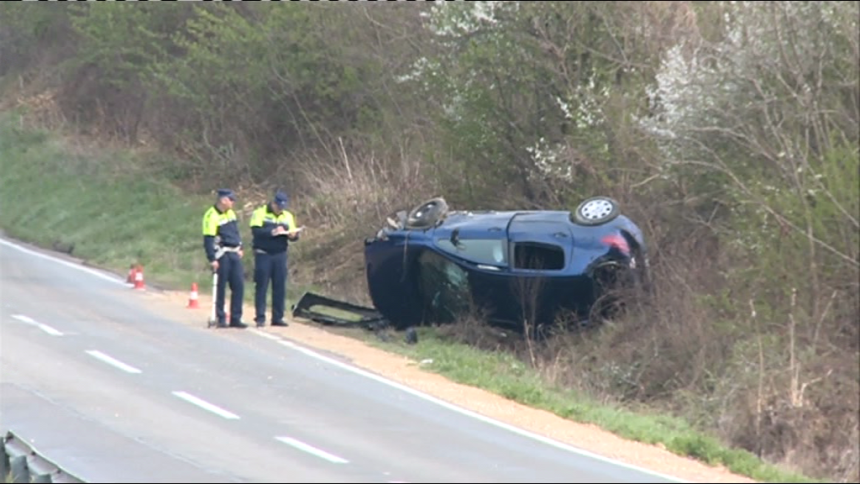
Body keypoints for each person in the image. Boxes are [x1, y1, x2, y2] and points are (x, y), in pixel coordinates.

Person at [249, 190, 300, 328]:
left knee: (280, 286)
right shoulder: (260, 213)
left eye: (282, 207)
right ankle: (260, 317)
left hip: (280, 254)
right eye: (278, 206)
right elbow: (256, 232)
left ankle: (277, 317)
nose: (280, 210)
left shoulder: (288, 216)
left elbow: (294, 234)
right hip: (263, 253)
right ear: (273, 203)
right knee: (262, 286)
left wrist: (293, 235)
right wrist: (272, 232)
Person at [202, 188, 247, 329]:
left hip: (234, 253)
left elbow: (236, 232)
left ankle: (235, 318)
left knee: (239, 285)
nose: (233, 202)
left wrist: (241, 247)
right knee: (220, 287)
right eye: (230, 199)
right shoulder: (211, 216)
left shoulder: (231, 214)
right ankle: (221, 317)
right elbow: (208, 239)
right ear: (223, 200)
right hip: (222, 254)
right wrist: (212, 258)